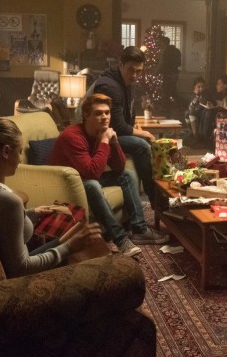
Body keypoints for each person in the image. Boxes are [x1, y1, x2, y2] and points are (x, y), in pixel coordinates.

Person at [0, 117, 100, 278]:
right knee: (85, 239)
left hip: (0, 264)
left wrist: (32, 213)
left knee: (78, 229)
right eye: (20, 151)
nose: (21, 159)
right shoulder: (8, 202)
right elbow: (20, 269)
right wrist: (69, 248)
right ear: (6, 152)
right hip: (16, 280)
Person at [49, 93, 169, 257]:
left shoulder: (100, 132)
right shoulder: (73, 136)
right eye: (98, 113)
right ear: (86, 115)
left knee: (126, 175)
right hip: (62, 185)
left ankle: (139, 229)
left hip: (82, 178)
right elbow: (92, 173)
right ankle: (121, 240)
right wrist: (105, 142)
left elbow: (119, 167)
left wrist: (114, 142)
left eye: (107, 112)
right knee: (92, 185)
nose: (105, 117)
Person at [87, 46, 156, 207]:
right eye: (131, 69)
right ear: (121, 65)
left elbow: (128, 113)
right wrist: (144, 133)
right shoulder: (109, 87)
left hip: (111, 132)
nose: (134, 75)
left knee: (143, 142)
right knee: (142, 145)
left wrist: (134, 126)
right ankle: (155, 199)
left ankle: (151, 196)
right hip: (95, 136)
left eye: (139, 71)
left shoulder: (125, 81)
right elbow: (117, 126)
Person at [198, 76, 227, 148]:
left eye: (219, 83)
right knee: (206, 111)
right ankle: (202, 138)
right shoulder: (225, 97)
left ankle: (204, 140)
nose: (216, 86)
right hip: (225, 120)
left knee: (208, 113)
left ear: (225, 85)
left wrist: (219, 110)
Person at [184, 76, 207, 145]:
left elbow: (201, 106)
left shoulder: (205, 94)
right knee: (187, 113)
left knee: (191, 113)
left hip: (203, 112)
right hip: (196, 111)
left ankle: (196, 136)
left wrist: (193, 109)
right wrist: (196, 96)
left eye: (202, 86)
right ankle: (192, 132)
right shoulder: (194, 95)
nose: (201, 89)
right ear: (195, 87)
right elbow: (190, 106)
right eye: (198, 87)